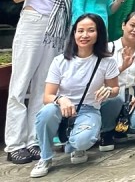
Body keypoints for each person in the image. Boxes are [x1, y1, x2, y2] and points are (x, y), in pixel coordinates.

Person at [6, 0, 77, 165]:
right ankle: (14, 144)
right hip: (33, 23)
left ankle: (33, 140)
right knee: (20, 84)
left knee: (42, 87)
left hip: (56, 29)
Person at [30, 14, 120, 178]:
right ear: (73, 33)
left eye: (90, 31)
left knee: (82, 141)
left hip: (89, 109)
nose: (84, 35)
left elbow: (115, 88)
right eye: (80, 31)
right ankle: (45, 157)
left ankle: (75, 146)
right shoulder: (60, 61)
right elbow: (47, 96)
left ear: (99, 34)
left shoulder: (107, 61)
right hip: (62, 108)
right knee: (45, 113)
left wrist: (109, 90)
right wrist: (61, 99)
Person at [99, 11, 135, 149]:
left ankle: (119, 129)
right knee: (114, 100)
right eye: (132, 25)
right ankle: (106, 132)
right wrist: (123, 67)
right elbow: (101, 79)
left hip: (130, 95)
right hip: (109, 94)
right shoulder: (109, 48)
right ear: (123, 25)